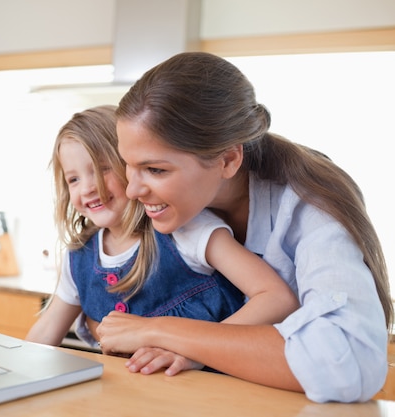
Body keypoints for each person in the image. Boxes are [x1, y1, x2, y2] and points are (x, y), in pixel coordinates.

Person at [95, 51, 392, 403]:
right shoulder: (179, 211)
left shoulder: (308, 205)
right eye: (129, 165)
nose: (132, 190)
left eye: (156, 170)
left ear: (228, 160)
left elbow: (347, 364)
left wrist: (161, 331)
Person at [25, 104, 298, 350]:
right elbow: (47, 330)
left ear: (133, 166)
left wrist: (200, 349)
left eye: (102, 169)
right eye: (73, 179)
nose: (88, 188)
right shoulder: (80, 256)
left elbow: (276, 298)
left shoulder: (188, 230)